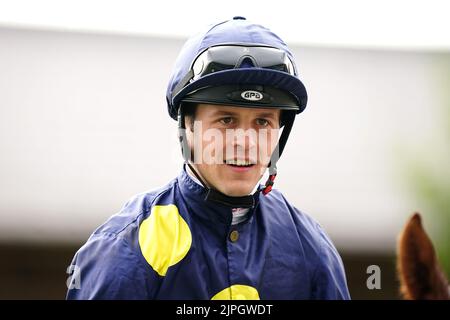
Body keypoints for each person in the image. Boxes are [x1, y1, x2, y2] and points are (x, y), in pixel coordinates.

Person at [66, 16, 350, 300]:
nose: (246, 142)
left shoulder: (311, 248)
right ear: (187, 125)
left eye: (263, 122)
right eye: (226, 120)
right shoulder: (125, 248)